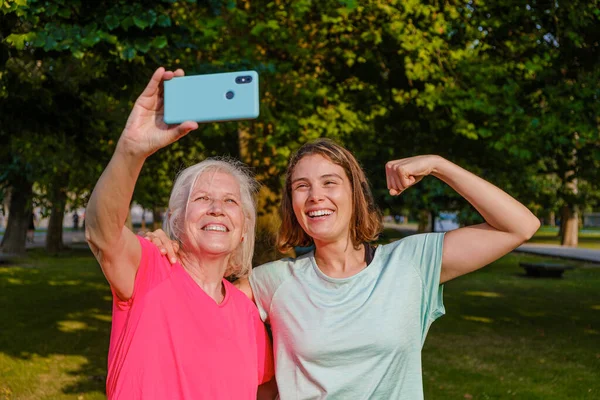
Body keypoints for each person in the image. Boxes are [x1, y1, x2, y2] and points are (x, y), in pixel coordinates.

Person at [148, 140, 540, 398]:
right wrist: (167, 248)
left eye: (330, 182)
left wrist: (439, 165)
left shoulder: (411, 264)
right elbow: (197, 302)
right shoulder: (274, 281)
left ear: (354, 193)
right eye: (302, 186)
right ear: (293, 204)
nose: (316, 195)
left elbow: (519, 226)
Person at [85, 67, 274, 400]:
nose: (217, 208)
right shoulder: (150, 271)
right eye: (202, 198)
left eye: (230, 201)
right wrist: (131, 150)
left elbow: (267, 387)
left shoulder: (247, 316)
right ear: (175, 219)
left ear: (244, 229)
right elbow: (102, 231)